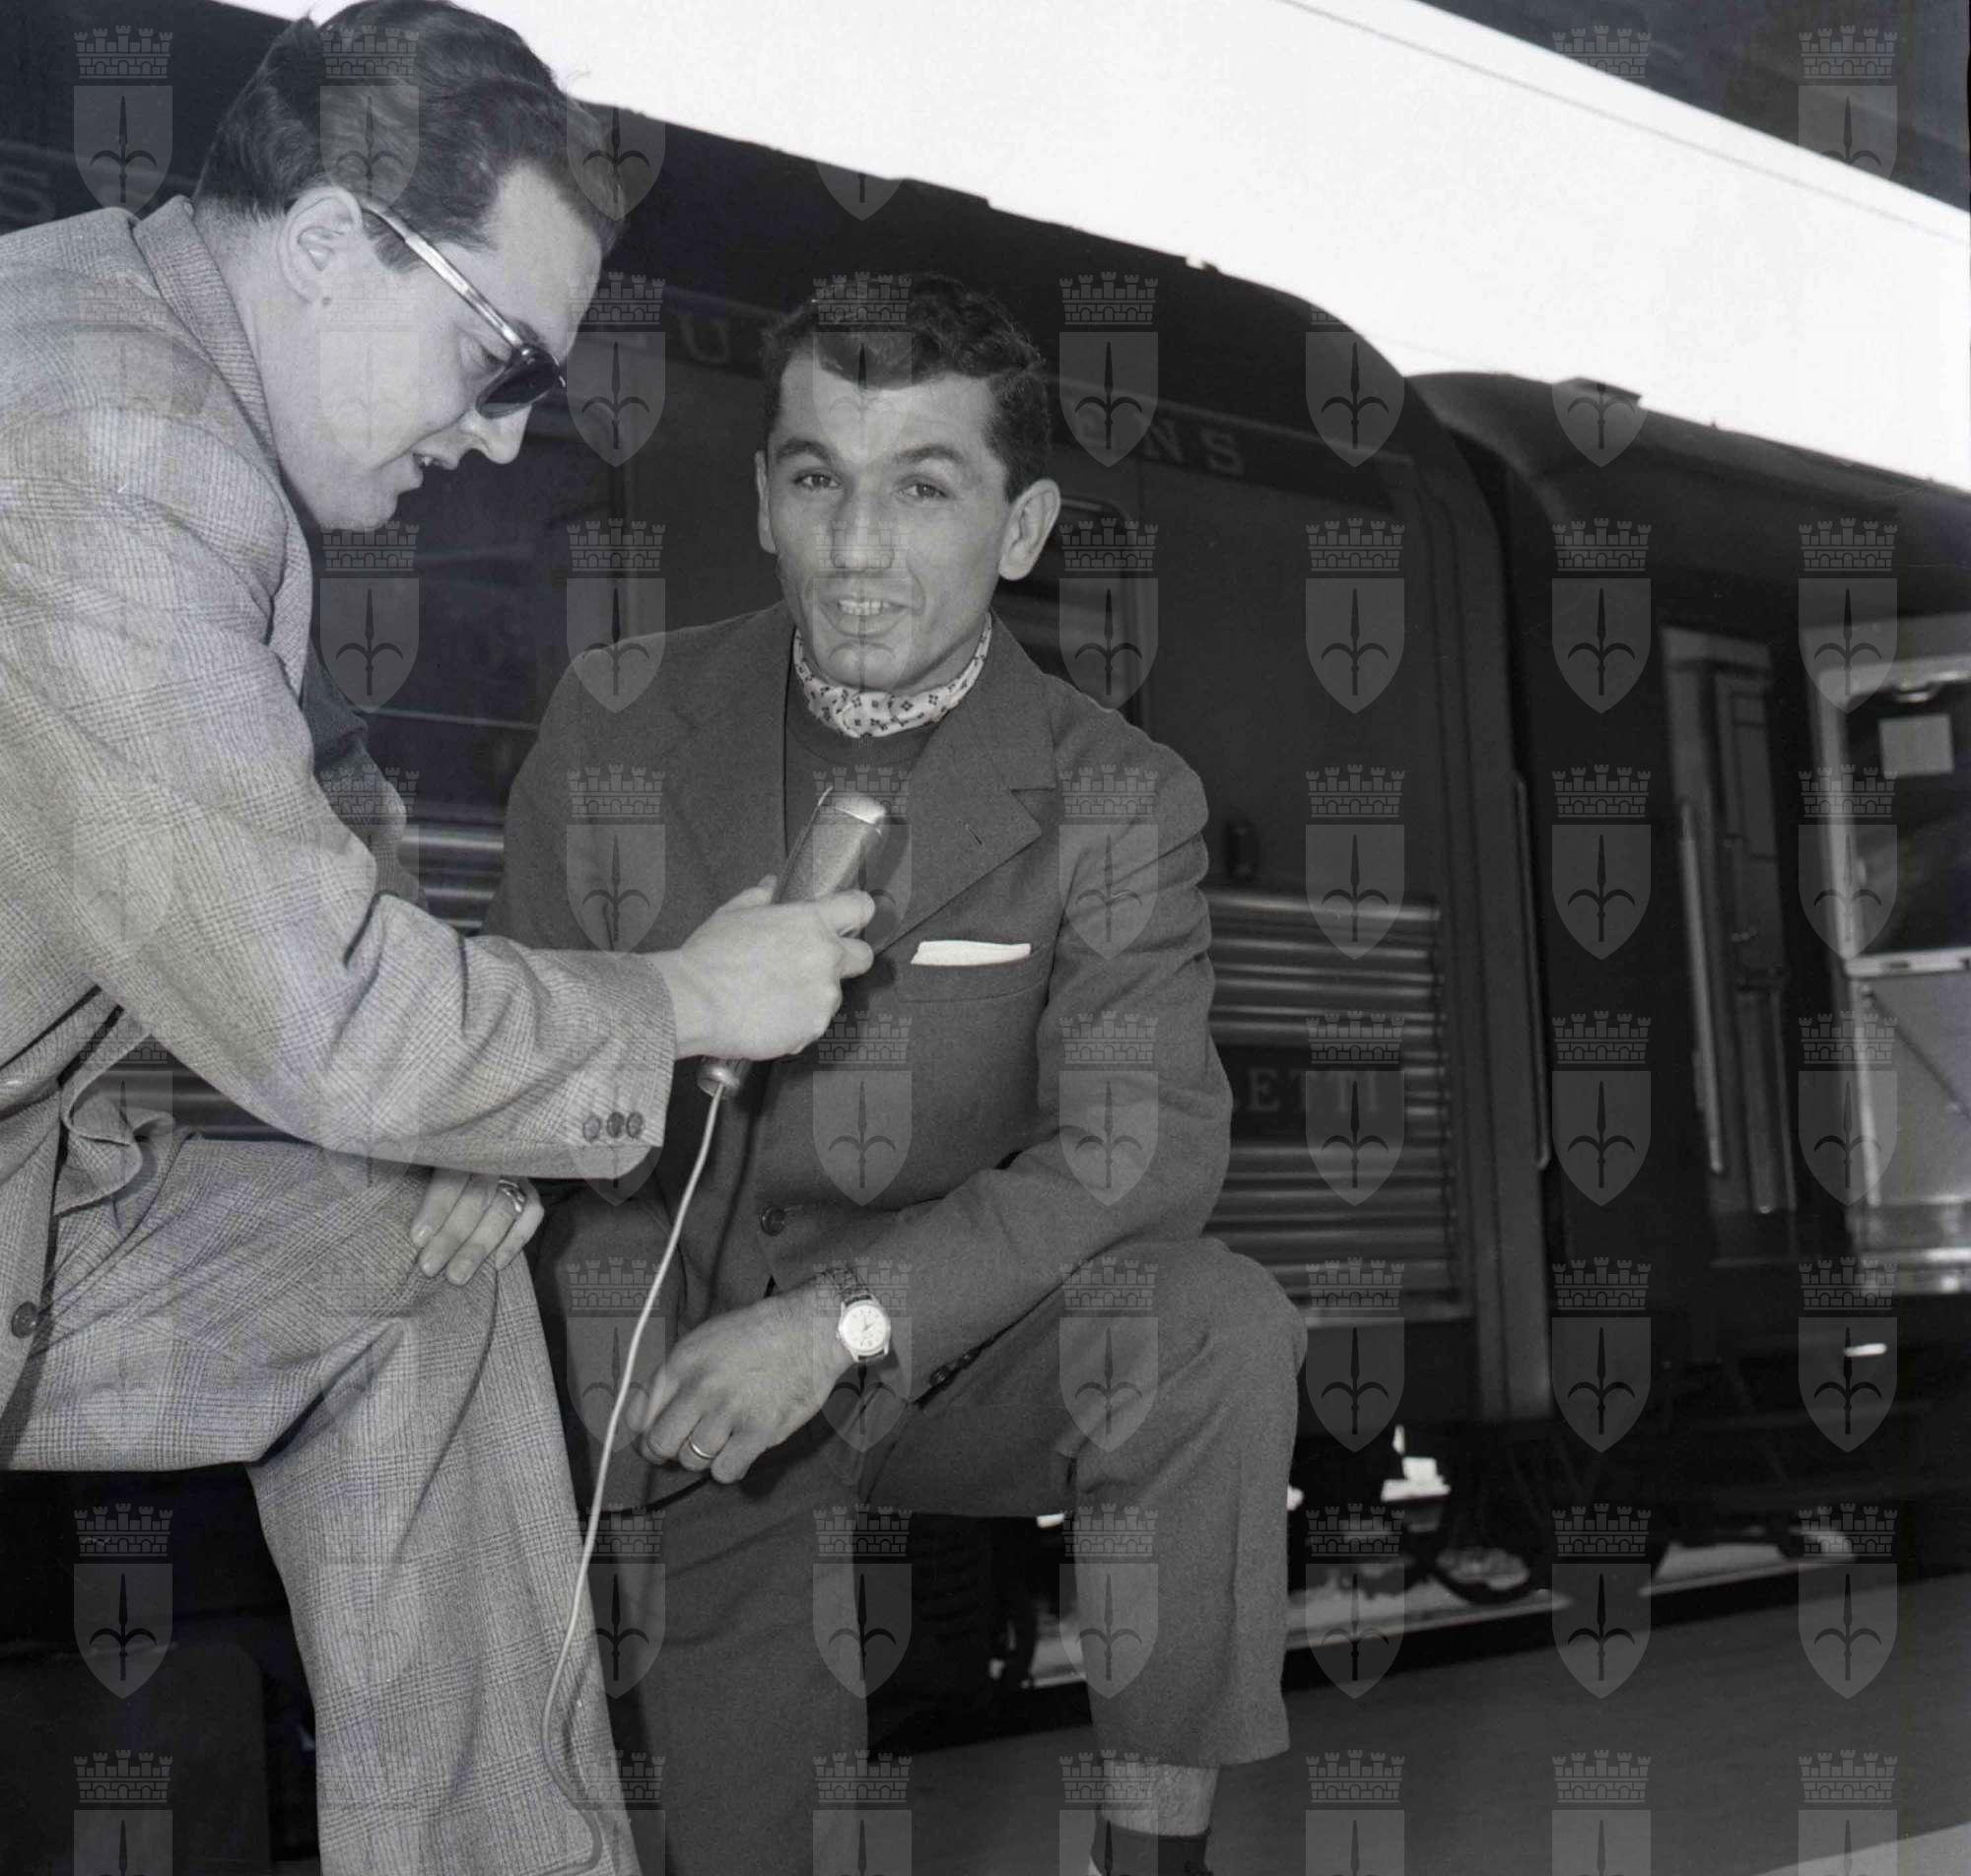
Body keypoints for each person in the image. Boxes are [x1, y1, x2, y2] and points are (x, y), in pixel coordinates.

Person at [0, 4, 870, 1871]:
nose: (498, 436)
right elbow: (319, 1010)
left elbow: (327, 810)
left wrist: (446, 1126)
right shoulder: (108, 454)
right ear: (328, 242)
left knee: (420, 1278)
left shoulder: (141, 358)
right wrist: (681, 998)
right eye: (495, 359)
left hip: (29, 1188)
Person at [485, 275, 1307, 1876]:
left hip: (947, 1348)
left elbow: (1138, 1147)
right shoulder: (615, 725)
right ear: (764, 500)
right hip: (678, 1371)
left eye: (924, 488)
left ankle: (1157, 1855)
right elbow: (516, 1033)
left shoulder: (1119, 794)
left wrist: (842, 1320)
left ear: (1022, 528)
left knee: (1211, 1326)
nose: (857, 547)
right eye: (819, 479)